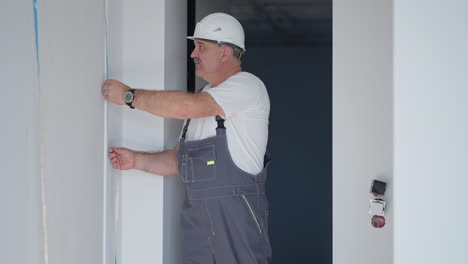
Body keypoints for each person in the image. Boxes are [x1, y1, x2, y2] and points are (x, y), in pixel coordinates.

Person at [103, 12, 271, 264]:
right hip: (199, 226)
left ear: (224, 53)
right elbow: (180, 160)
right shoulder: (203, 96)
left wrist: (129, 96)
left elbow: (188, 107)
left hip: (235, 221)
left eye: (201, 47)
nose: (193, 54)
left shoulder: (247, 86)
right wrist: (137, 160)